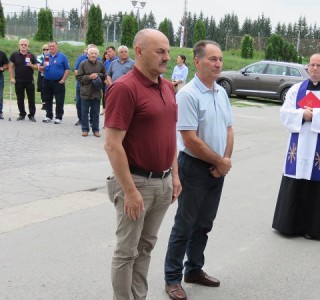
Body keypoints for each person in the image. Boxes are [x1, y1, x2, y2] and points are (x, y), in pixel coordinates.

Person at [104, 28, 181, 300]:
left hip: (162, 183)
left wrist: (175, 176)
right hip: (136, 183)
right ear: (139, 51)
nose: (167, 57)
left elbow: (169, 134)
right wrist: (130, 191)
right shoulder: (124, 89)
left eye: (168, 51)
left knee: (146, 248)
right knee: (127, 252)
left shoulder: (167, 87)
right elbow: (112, 144)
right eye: (160, 51)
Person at [164, 40, 234, 300]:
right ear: (197, 62)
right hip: (193, 167)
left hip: (217, 168)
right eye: (212, 59)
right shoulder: (188, 94)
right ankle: (172, 277)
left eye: (220, 59)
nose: (218, 64)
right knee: (185, 225)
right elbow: (190, 139)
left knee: (204, 224)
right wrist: (219, 161)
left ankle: (194, 269)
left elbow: (229, 128)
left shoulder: (221, 92)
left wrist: (224, 161)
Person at [272, 53, 320, 240]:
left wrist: (315, 114)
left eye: (319, 65)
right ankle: (289, 226)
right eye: (312, 65)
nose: (314, 68)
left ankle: (314, 229)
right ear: (308, 67)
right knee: (294, 179)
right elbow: (285, 113)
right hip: (298, 144)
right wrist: (301, 114)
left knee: (316, 183)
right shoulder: (296, 89)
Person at [76, 47, 105, 137]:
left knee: (95, 112)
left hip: (96, 92)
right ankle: (85, 129)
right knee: (84, 112)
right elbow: (78, 77)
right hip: (85, 92)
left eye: (95, 54)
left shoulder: (100, 64)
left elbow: (104, 75)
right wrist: (89, 77)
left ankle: (96, 130)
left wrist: (97, 75)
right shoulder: (83, 63)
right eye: (91, 53)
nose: (93, 55)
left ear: (97, 54)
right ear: (87, 55)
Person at [39, 41, 70, 124]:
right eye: (50, 46)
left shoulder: (62, 57)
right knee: (47, 99)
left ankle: (58, 117)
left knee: (59, 100)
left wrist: (63, 79)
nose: (51, 48)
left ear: (57, 47)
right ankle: (48, 116)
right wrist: (43, 67)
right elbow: (40, 69)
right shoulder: (46, 56)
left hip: (58, 82)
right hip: (47, 81)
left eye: (53, 46)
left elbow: (67, 69)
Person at [8, 39, 39, 122]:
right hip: (18, 81)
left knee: (31, 98)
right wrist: (11, 77)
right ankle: (22, 114)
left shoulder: (31, 55)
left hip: (29, 81)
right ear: (19, 45)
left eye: (25, 44)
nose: (23, 46)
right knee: (20, 98)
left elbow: (37, 67)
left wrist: (31, 65)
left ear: (28, 46)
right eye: (22, 44)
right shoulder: (14, 55)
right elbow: (10, 67)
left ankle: (31, 115)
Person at [36, 44, 49, 111]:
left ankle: (48, 103)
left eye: (47, 49)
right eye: (44, 49)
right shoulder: (40, 57)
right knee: (42, 89)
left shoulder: (51, 57)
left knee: (48, 89)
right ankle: (44, 104)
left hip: (49, 75)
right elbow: (39, 67)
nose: (46, 51)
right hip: (41, 75)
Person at [0, 49, 8, 120]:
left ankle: (0, 112)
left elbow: (7, 65)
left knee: (0, 95)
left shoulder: (2, 53)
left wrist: (2, 68)